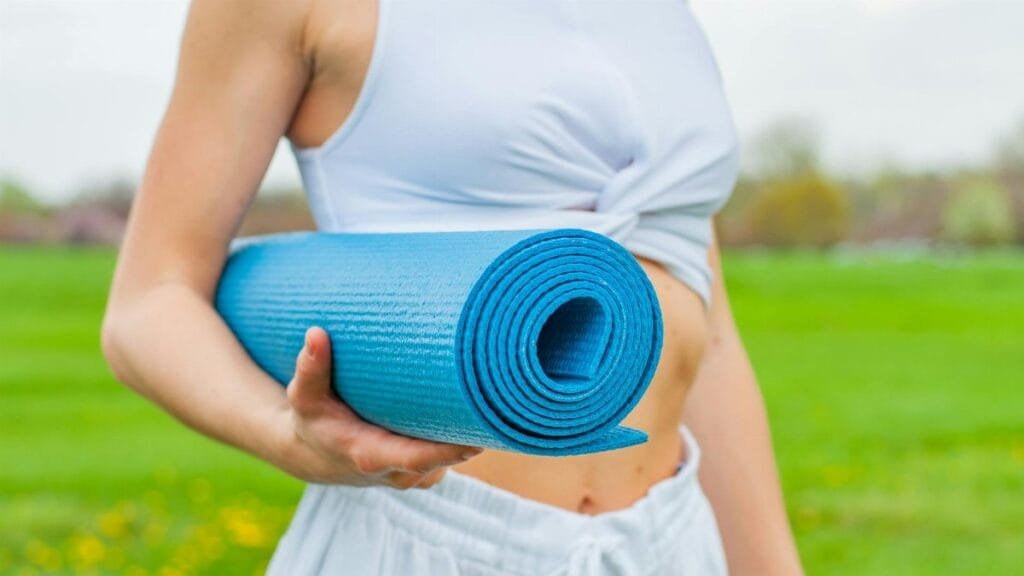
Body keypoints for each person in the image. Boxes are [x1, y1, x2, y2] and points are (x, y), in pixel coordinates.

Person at [101, 0, 803, 574]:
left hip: (673, 540)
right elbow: (150, 300)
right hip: (426, 534)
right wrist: (284, 434)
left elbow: (706, 338)